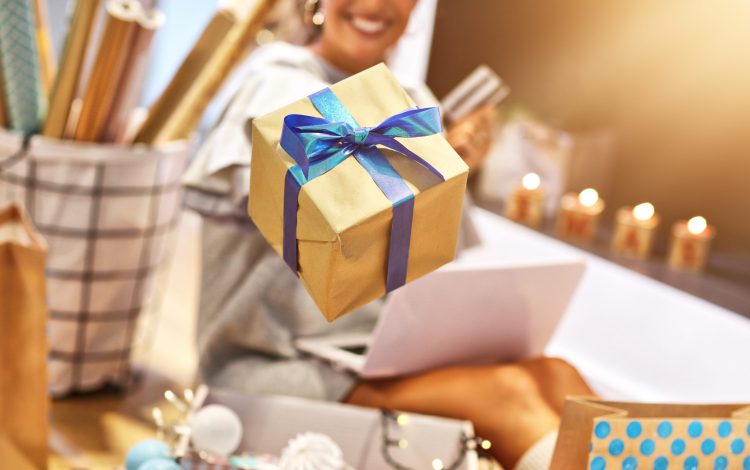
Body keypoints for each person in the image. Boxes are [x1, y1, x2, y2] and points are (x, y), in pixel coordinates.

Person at [183, 0, 593, 468]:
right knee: (509, 394)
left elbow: (427, 262)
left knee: (557, 375)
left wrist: (445, 170)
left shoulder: (411, 103)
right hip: (272, 365)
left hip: (370, 358)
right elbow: (335, 214)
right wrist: (427, 166)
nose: (375, 4)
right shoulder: (275, 87)